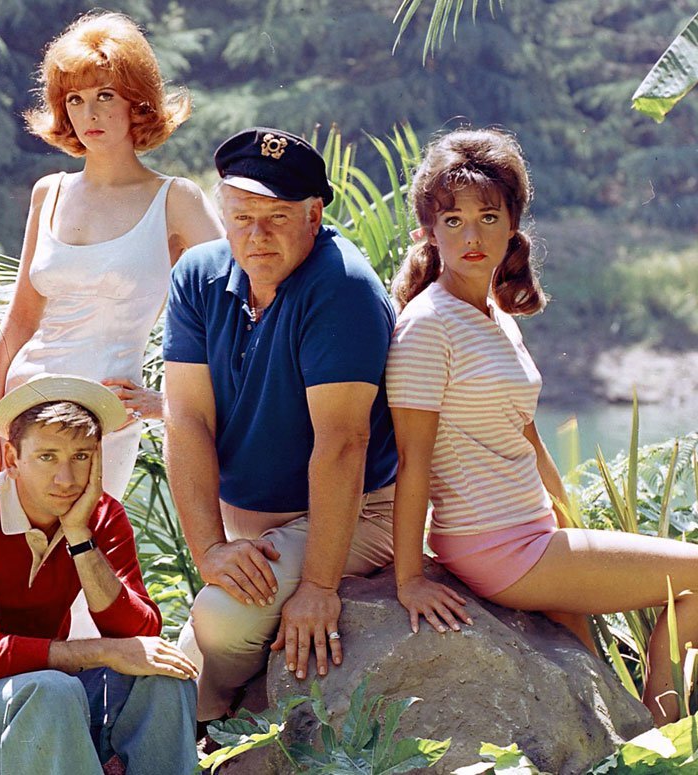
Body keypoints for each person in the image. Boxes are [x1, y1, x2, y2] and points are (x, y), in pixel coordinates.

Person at [386, 128, 698, 725]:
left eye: (487, 216)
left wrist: (568, 513)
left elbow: (524, 432)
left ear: (512, 224)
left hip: (532, 529)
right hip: (495, 544)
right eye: (451, 220)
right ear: (429, 231)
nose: (471, 235)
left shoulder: (493, 313)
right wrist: (408, 579)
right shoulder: (429, 326)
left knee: (596, 688)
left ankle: (642, 739)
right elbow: (413, 456)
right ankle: (669, 742)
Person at [164, 128, 399, 722]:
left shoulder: (341, 287)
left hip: (354, 512)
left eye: (276, 216)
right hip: (248, 524)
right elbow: (186, 417)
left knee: (220, 621)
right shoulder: (198, 275)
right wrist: (210, 549)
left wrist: (318, 587)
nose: (256, 234)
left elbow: (344, 444)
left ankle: (210, 720)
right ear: (223, 211)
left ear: (314, 215)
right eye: (242, 216)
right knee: (193, 632)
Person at [0, 11, 222, 500]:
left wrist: (167, 401)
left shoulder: (176, 199)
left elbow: (243, 305)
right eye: (76, 100)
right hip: (25, 410)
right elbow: (20, 319)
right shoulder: (50, 191)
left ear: (138, 103)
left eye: (105, 95)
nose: (89, 114)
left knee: (87, 560)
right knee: (17, 564)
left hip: (108, 415)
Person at [0, 375, 200, 775]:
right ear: (11, 458)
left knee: (166, 677)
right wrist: (103, 652)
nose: (67, 479)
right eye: (47, 457)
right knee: (52, 689)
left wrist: (79, 537)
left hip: (52, 702)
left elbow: (138, 632)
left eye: (81, 457)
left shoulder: (99, 514)